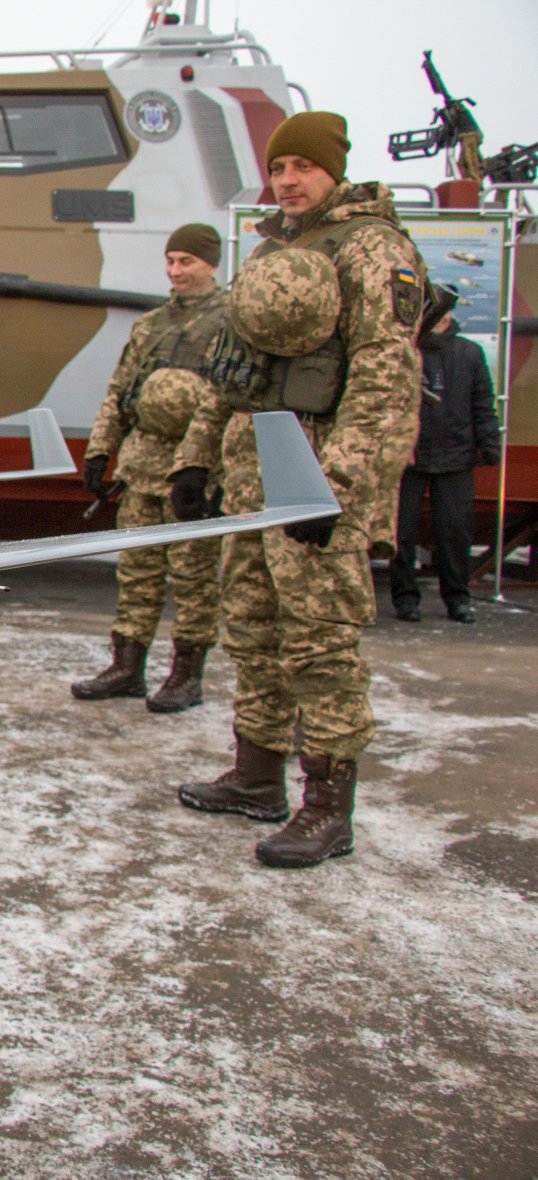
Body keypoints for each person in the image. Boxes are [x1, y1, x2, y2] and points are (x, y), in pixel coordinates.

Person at [169, 111, 423, 869]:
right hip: (252, 462)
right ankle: (256, 776)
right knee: (252, 625)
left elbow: (384, 376)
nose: (287, 181)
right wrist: (195, 457)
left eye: (303, 168)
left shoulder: (374, 249)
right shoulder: (273, 252)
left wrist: (330, 489)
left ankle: (326, 808)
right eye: (278, 168)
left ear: (332, 171)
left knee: (319, 638)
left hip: (313, 466)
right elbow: (231, 367)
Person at [72, 224, 226, 713]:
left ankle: (186, 675)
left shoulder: (231, 322)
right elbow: (120, 391)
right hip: (140, 466)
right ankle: (127, 667)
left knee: (193, 576)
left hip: (193, 470)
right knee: (137, 571)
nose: (176, 271)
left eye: (187, 261)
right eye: (172, 260)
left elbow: (229, 399)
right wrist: (101, 450)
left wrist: (201, 467)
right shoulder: (151, 324)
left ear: (211, 263)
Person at [389, 285, 501, 623]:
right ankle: (406, 599)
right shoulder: (406, 351)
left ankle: (457, 598)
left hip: (455, 455)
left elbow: (483, 403)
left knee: (454, 532)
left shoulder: (468, 353)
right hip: (409, 455)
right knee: (400, 532)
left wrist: (489, 441)